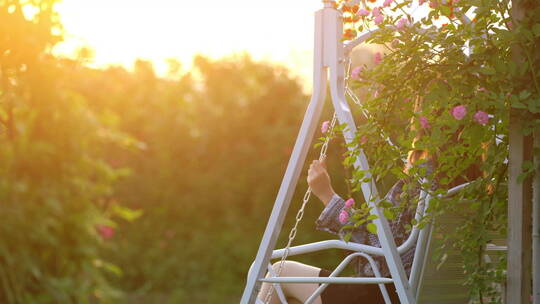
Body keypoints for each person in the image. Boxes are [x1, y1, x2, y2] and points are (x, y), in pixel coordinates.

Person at [256, 155, 422, 304]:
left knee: (279, 272)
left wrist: (326, 194)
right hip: (407, 293)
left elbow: (381, 247)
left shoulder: (418, 186)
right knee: (283, 291)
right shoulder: (442, 188)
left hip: (392, 295)